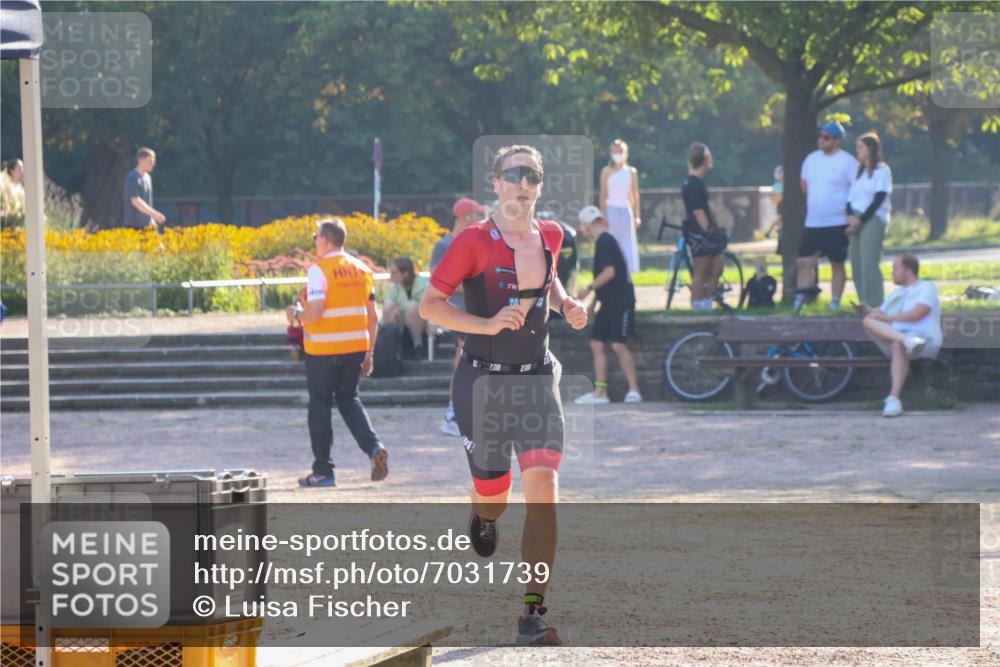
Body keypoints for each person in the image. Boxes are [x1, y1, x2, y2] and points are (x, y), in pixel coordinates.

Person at [420, 144, 587, 646]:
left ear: (539, 185)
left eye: (532, 175)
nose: (523, 183)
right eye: (514, 174)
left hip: (537, 377)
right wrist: (486, 323)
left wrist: (567, 305)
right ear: (495, 183)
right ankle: (481, 513)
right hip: (483, 381)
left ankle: (533, 612)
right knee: (495, 498)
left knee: (544, 486)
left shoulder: (552, 235)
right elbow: (431, 306)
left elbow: (549, 288)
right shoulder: (473, 241)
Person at [286, 219, 389, 486]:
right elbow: (372, 317)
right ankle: (374, 448)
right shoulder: (362, 269)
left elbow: (317, 310)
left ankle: (324, 471)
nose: (314, 242)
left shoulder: (319, 270)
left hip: (323, 348)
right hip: (355, 347)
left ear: (326, 241)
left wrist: (296, 315)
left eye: (315, 237)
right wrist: (369, 352)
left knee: (320, 405)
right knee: (349, 401)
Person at [573, 205, 642, 404]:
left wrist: (588, 288)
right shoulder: (604, 241)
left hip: (621, 300)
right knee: (596, 342)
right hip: (608, 301)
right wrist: (593, 303)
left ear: (585, 227)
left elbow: (609, 273)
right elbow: (607, 278)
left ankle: (634, 390)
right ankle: (600, 391)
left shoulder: (605, 241)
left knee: (618, 344)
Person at [860, 253, 941, 418]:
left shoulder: (926, 287)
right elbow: (880, 314)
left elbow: (918, 313)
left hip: (924, 340)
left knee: (898, 346)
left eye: (896, 268)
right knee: (868, 320)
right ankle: (908, 341)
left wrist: (886, 318)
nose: (892, 272)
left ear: (908, 270)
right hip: (901, 339)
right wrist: (869, 311)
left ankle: (893, 398)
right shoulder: (896, 293)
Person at [432, 197, 486, 437]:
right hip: (458, 313)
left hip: (475, 312)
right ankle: (453, 415)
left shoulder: (476, 241)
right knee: (464, 363)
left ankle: (461, 414)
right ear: (466, 217)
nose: (481, 219)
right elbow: (438, 281)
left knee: (472, 364)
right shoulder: (445, 245)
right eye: (477, 214)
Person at [796, 122, 858, 312]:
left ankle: (834, 302)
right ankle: (801, 301)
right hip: (813, 222)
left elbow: (856, 189)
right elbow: (804, 184)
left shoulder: (848, 162)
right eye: (820, 136)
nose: (822, 140)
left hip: (837, 222)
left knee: (836, 264)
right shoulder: (811, 159)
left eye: (827, 137)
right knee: (804, 262)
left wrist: (851, 215)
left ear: (837, 140)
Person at [847, 131, 892, 307]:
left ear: (871, 149)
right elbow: (850, 199)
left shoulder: (882, 171)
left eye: (861, 147)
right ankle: (863, 303)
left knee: (869, 263)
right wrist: (851, 217)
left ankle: (875, 305)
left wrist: (861, 220)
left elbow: (879, 197)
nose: (857, 150)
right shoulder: (859, 172)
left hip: (873, 218)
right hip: (855, 218)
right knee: (856, 264)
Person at [681, 142, 727, 311]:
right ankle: (697, 304)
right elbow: (698, 211)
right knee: (701, 269)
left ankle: (707, 300)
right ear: (705, 160)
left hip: (704, 231)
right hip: (698, 233)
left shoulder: (696, 182)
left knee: (717, 265)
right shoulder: (692, 184)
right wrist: (709, 231)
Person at [599, 139, 641, 276]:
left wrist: (637, 216)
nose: (617, 154)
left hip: (625, 212)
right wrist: (603, 215)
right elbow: (603, 195)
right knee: (612, 243)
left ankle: (626, 274)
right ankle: (611, 272)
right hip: (611, 211)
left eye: (620, 151)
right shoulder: (606, 172)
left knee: (627, 244)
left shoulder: (631, 172)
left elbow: (634, 195)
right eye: (615, 151)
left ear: (626, 153)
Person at [384, 255, 430, 357]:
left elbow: (432, 306)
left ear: (405, 274)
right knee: (389, 307)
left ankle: (418, 346)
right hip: (402, 323)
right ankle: (392, 347)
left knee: (412, 306)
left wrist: (433, 324)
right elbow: (388, 304)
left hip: (422, 323)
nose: (390, 275)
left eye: (394, 272)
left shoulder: (424, 284)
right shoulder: (395, 286)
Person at [122, 147, 166, 230]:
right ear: (141, 160)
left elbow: (148, 203)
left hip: (148, 225)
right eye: (150, 161)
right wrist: (154, 214)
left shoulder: (148, 178)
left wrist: (152, 219)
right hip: (133, 226)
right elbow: (135, 201)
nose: (153, 164)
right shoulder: (132, 177)